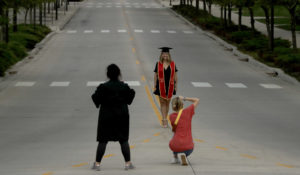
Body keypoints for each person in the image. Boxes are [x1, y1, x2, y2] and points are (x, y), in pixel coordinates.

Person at [91, 64, 136, 171]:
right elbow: (130, 99)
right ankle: (128, 163)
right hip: (122, 116)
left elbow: (95, 98)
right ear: (119, 74)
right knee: (123, 140)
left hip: (106, 117)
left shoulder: (103, 87)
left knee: (103, 140)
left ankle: (97, 164)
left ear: (108, 74)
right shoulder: (124, 86)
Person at [169, 96, 199, 165]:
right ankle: (185, 155)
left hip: (175, 146)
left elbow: (174, 130)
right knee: (189, 146)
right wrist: (184, 98)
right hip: (188, 147)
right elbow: (197, 100)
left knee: (174, 137)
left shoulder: (171, 116)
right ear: (182, 105)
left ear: (173, 107)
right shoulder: (188, 111)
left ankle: (175, 157)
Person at [153, 47, 178, 128]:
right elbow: (155, 75)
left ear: (169, 55)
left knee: (167, 103)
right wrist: (155, 86)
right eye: (163, 54)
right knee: (162, 103)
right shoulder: (158, 64)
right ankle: (164, 120)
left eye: (166, 54)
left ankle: (165, 118)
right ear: (161, 55)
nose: (165, 55)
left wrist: (175, 86)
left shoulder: (173, 64)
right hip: (160, 86)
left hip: (170, 86)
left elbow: (175, 76)